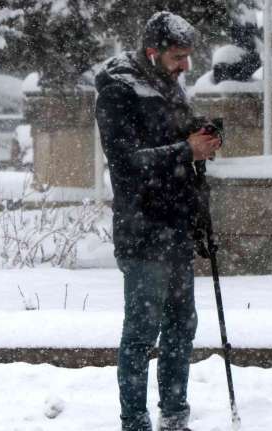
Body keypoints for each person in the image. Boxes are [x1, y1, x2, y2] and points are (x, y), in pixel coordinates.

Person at [95, 11, 221, 431]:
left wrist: (200, 136)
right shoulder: (118, 91)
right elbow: (127, 163)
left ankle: (175, 415)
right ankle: (135, 421)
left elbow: (174, 145)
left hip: (178, 227)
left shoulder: (168, 87)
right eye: (179, 57)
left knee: (182, 325)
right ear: (154, 52)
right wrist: (186, 150)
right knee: (142, 332)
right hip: (144, 230)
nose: (186, 66)